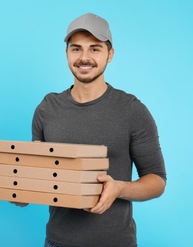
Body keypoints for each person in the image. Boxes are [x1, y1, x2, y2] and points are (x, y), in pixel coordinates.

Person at [21, 13, 167, 247]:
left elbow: (157, 180)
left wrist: (119, 188)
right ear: (67, 53)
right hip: (57, 242)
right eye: (76, 48)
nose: (84, 58)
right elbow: (38, 175)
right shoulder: (47, 108)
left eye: (95, 49)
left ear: (110, 54)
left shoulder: (132, 111)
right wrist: (20, 189)